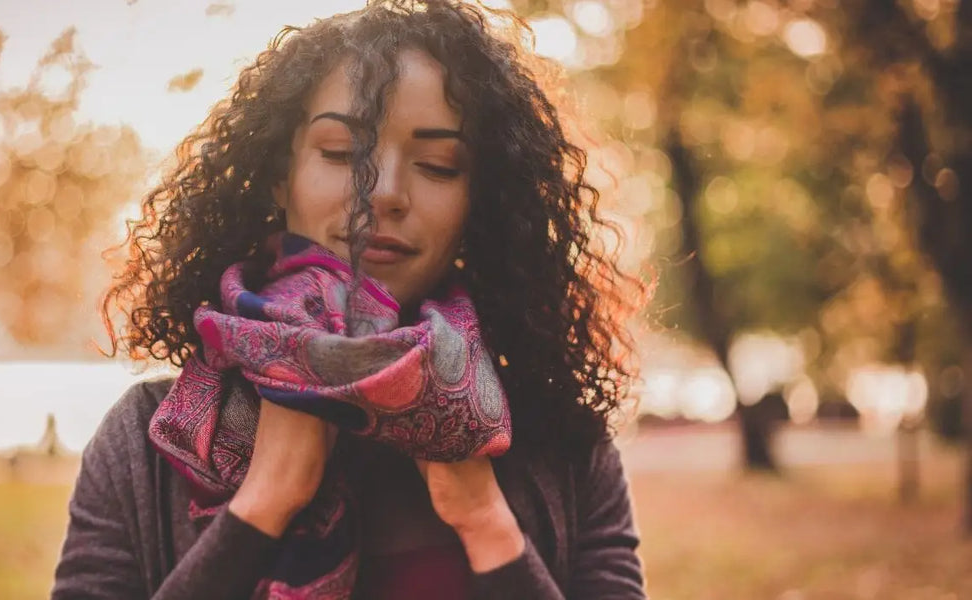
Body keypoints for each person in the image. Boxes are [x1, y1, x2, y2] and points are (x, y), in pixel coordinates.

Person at [52, 1, 649, 598]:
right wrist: (262, 505)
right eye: (340, 153)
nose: (384, 192)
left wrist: (487, 523)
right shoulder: (143, 442)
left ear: (480, 202)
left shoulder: (565, 446)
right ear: (279, 177)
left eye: (438, 165)